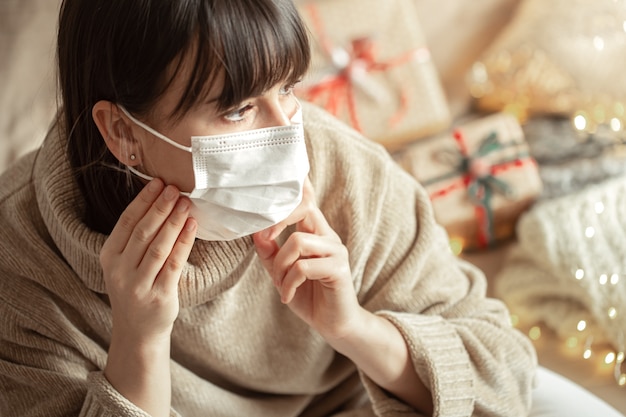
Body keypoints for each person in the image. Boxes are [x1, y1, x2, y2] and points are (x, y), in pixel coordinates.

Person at [0, 0, 538, 416]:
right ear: (121, 131)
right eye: (238, 110)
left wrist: (354, 328)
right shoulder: (20, 259)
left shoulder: (341, 171)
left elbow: (505, 377)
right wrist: (137, 340)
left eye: (288, 89)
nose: (290, 136)